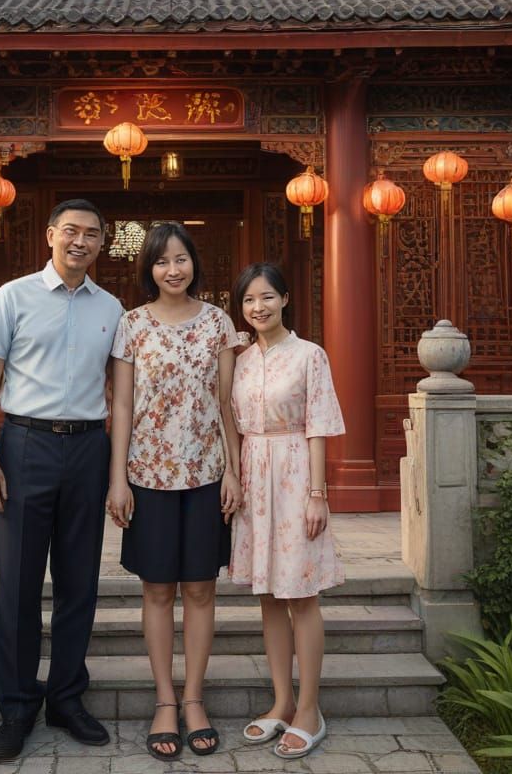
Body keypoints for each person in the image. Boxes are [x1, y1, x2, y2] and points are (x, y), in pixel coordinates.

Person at [0, 199, 124, 764]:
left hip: (88, 446)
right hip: (25, 444)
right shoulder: (13, 296)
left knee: (79, 581)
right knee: (17, 585)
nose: (79, 241)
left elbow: (120, 391)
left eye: (91, 233)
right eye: (71, 231)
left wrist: (117, 471)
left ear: (103, 243)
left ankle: (65, 699)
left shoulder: (112, 307)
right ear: (50, 235)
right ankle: (16, 708)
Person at [105, 222, 242, 762]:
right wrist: (117, 478)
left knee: (202, 590)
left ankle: (193, 699)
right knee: (158, 589)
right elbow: (120, 404)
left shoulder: (218, 323)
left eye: (181, 259)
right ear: (149, 270)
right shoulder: (132, 325)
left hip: (208, 474)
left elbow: (227, 401)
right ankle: (164, 699)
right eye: (163, 262)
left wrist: (234, 470)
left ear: (194, 264)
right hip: (148, 475)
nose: (173, 270)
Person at [227, 262, 346, 760]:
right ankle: (281, 702)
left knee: (303, 594)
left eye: (267, 297)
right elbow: (230, 423)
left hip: (296, 472)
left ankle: (310, 710)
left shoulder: (309, 356)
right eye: (250, 300)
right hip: (255, 477)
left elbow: (318, 424)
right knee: (270, 596)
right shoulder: (240, 359)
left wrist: (317, 493)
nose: (259, 307)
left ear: (285, 299)